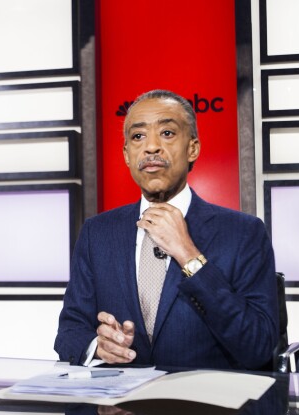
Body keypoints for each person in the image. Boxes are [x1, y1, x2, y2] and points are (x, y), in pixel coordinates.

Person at [54, 89, 278, 370]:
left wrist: (188, 254)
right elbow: (69, 333)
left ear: (192, 148)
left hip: (205, 408)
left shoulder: (244, 233)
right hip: (122, 408)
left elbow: (258, 346)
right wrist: (98, 347)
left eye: (167, 133)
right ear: (126, 154)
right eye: (138, 137)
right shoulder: (97, 233)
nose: (151, 147)